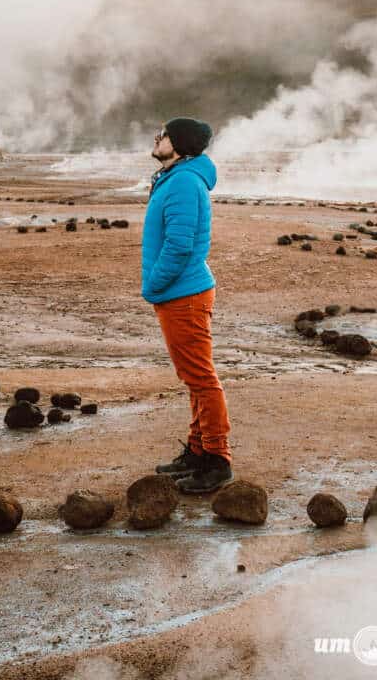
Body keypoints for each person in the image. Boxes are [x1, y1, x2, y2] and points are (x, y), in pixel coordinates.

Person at [141, 116, 233, 493]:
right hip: (179, 292)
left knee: (200, 378)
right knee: (193, 378)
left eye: (162, 134)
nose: (156, 137)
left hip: (183, 294)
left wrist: (153, 286)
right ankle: (198, 451)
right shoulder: (174, 178)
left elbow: (180, 246)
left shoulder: (182, 183)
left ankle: (217, 459)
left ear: (177, 144)